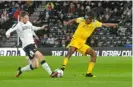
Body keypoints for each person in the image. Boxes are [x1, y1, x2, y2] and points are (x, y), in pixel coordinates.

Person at [51, 11, 117, 77]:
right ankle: (62, 68)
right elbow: (74, 20)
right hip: (76, 40)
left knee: (93, 54)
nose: (86, 19)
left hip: (82, 43)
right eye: (86, 18)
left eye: (88, 19)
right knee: (71, 51)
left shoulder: (95, 23)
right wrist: (67, 23)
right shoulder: (82, 19)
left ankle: (88, 73)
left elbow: (105, 24)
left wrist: (114, 25)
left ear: (91, 19)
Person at [6, 11, 53, 77]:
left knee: (35, 65)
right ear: (21, 18)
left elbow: (33, 27)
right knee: (40, 56)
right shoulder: (18, 25)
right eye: (26, 18)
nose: (27, 19)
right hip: (27, 45)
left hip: (31, 44)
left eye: (28, 18)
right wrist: (7, 34)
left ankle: (20, 70)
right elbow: (9, 30)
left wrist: (41, 28)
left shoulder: (28, 23)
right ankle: (51, 73)